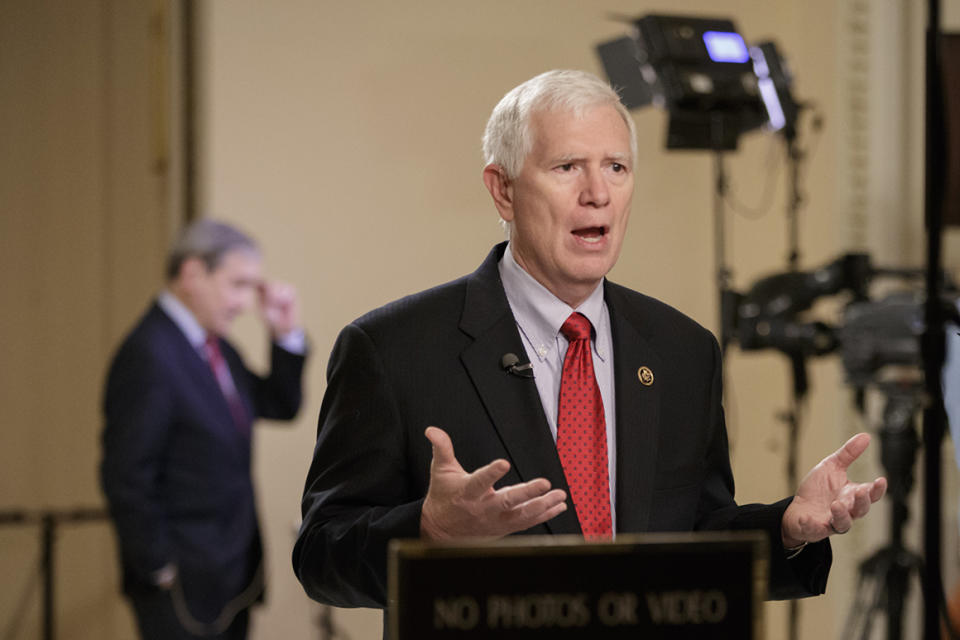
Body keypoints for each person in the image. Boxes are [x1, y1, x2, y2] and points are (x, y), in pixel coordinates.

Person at [292, 70, 886, 621]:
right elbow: (321, 554)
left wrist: (785, 528)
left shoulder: (683, 351)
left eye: (617, 168)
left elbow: (695, 534)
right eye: (567, 166)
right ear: (502, 191)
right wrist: (429, 532)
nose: (598, 193)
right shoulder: (391, 349)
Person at [101, 219, 308, 640]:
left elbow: (279, 404)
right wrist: (158, 565)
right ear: (192, 273)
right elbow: (126, 475)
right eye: (237, 284)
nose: (246, 303)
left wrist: (284, 334)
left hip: (233, 573)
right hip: (180, 582)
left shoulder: (217, 347)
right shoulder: (150, 353)